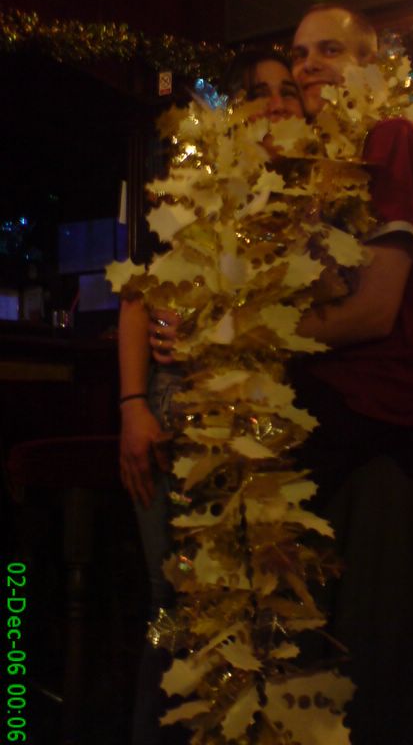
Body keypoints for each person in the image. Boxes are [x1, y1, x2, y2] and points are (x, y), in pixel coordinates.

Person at [144, 5, 413, 745]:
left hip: (367, 396)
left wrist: (230, 335)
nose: (308, 65)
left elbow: (373, 313)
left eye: (330, 51)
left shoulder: (390, 137)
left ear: (374, 66)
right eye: (300, 53)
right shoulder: (326, 159)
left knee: (208, 487)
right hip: (337, 388)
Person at [118, 49, 304, 745]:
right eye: (259, 93)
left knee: (260, 606)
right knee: (173, 601)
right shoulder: (198, 184)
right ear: (237, 112)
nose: (277, 103)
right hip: (174, 410)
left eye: (290, 91)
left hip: (263, 421)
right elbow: (137, 298)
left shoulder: (313, 197)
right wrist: (132, 406)